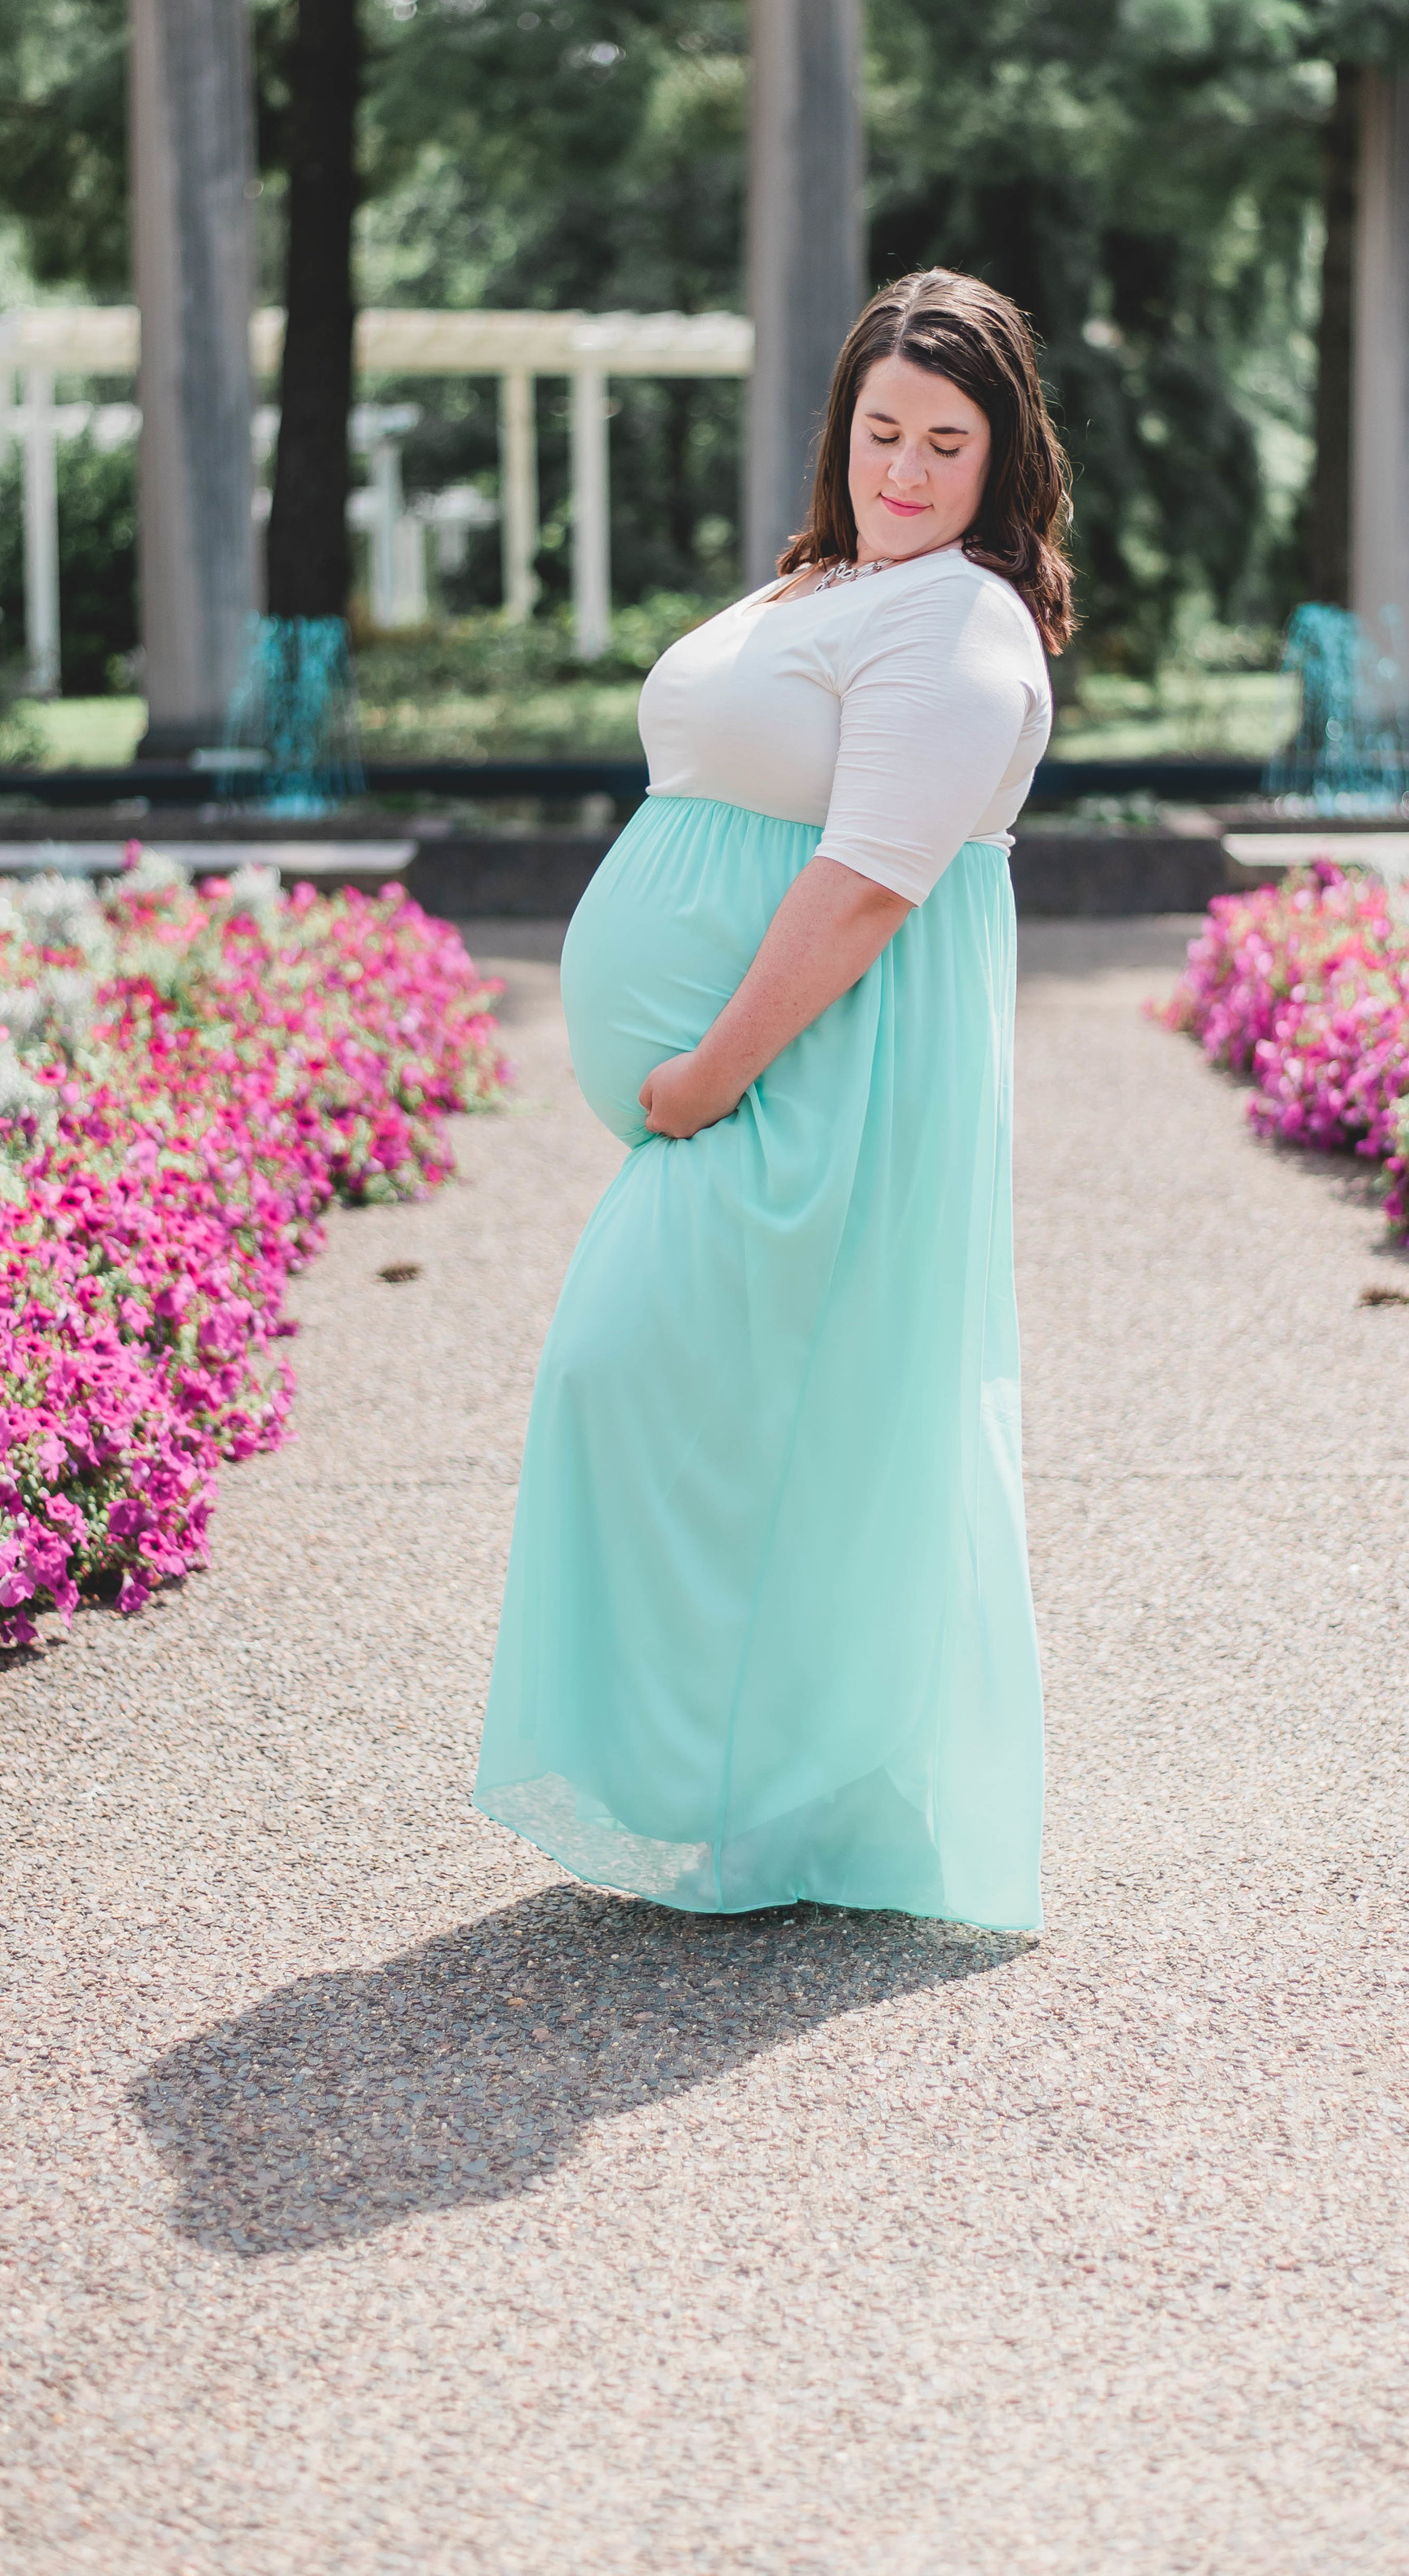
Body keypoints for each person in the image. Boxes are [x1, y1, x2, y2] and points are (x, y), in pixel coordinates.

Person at [474, 269, 1071, 1932]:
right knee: (728, 1421)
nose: (902, 468)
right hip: (749, 1092)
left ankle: (782, 1789)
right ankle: (740, 1789)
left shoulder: (954, 616)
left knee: (655, 1384)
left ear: (999, 458)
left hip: (810, 1090)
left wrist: (702, 1071)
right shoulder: (838, 581)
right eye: (878, 429)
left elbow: (874, 883)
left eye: (943, 443)